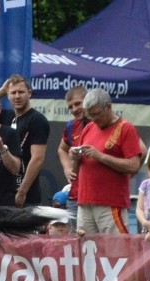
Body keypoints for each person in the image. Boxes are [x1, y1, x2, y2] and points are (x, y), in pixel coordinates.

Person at [71, 88, 142, 234]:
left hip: (111, 203)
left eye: (96, 114)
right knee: (86, 251)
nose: (94, 119)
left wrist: (101, 156)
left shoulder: (125, 128)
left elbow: (134, 165)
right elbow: (76, 171)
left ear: (108, 106)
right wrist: (75, 158)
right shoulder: (89, 127)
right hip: (85, 201)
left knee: (116, 252)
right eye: (90, 115)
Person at [0, 74, 50, 207]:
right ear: (8, 95)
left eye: (21, 92)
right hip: (4, 189)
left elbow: (37, 159)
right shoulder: (6, 116)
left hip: (27, 193)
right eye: (13, 93)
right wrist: (2, 91)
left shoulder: (37, 120)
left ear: (29, 93)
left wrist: (22, 191)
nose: (17, 96)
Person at [57, 85, 89, 229]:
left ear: (88, 100)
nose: (74, 109)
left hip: (99, 196)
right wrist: (67, 169)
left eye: (77, 104)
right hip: (76, 195)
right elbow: (62, 149)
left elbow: (140, 151)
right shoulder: (71, 126)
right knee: (79, 244)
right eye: (70, 107)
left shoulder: (103, 123)